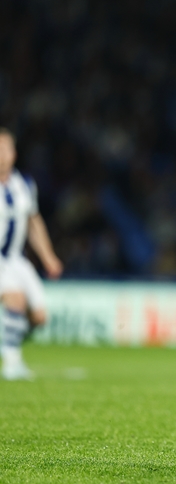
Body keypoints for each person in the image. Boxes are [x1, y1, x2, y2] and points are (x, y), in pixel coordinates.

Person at [0, 128, 63, 380]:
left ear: (14, 153)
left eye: (5, 149)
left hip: (16, 259)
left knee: (38, 317)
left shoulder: (24, 185)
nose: (1, 154)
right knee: (15, 299)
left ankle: (7, 343)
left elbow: (34, 223)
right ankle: (12, 362)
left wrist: (48, 256)